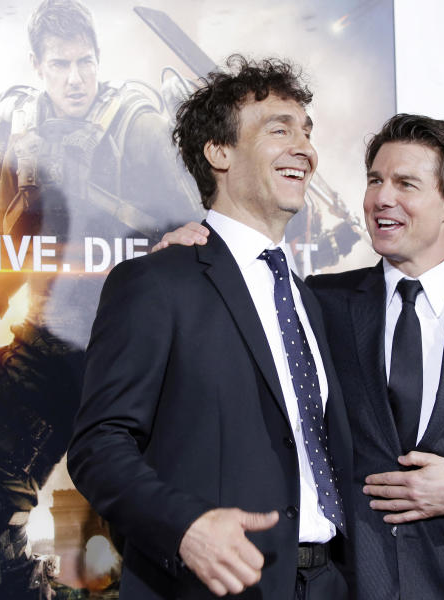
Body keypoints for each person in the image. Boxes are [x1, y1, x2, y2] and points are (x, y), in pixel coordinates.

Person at [159, 114, 444, 598]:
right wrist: (190, 261)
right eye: (374, 180)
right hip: (349, 584)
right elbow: (233, 315)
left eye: (405, 183)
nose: (382, 198)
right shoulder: (317, 302)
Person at [0, 1, 202, 598]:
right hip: (46, 348)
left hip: (134, 357)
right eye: (61, 64)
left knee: (169, 534)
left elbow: (203, 230)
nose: (75, 78)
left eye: (85, 63)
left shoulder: (137, 126)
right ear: (37, 65)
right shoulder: (16, 132)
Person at [68, 55, 353, 600]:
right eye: (279, 129)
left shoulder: (309, 301)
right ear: (219, 152)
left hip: (329, 584)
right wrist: (186, 528)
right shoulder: (155, 282)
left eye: (307, 132)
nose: (305, 149)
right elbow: (98, 446)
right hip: (212, 588)